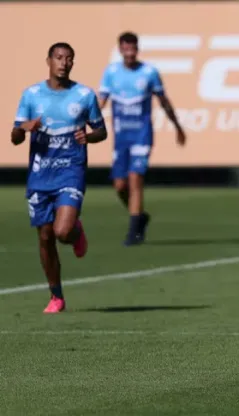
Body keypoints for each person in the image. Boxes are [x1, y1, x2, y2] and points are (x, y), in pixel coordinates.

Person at [12, 42, 108, 313]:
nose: (64, 63)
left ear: (73, 63)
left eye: (69, 59)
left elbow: (102, 132)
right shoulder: (31, 95)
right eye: (59, 58)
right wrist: (24, 128)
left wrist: (88, 136)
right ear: (49, 61)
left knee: (61, 231)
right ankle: (56, 296)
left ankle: (75, 231)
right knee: (45, 237)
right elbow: (15, 137)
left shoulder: (84, 95)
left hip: (70, 170)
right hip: (41, 174)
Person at [98, 31, 187, 246]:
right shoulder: (111, 73)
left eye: (133, 48)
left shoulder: (149, 72)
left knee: (135, 178)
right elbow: (101, 101)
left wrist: (177, 126)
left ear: (137, 49)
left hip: (142, 134)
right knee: (120, 185)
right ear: (120, 50)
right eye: (125, 49)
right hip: (121, 137)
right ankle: (140, 217)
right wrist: (86, 123)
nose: (129, 53)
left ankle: (133, 231)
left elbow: (164, 101)